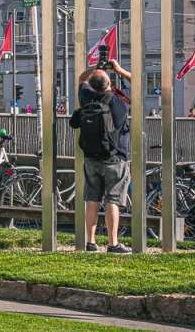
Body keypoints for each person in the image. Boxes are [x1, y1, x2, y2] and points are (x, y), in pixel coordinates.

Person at [69, 59, 132, 255]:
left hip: (91, 158)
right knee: (113, 200)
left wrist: (96, 68)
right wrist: (119, 70)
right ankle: (113, 243)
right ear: (109, 85)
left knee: (92, 199)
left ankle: (91, 242)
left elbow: (81, 78)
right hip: (115, 158)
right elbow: (137, 83)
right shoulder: (117, 103)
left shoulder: (86, 97)